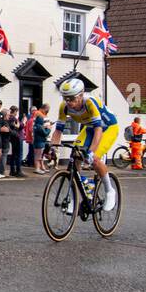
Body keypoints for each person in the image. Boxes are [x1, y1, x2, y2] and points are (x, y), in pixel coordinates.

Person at [50, 77, 119, 211]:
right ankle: (75, 195)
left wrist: (91, 153)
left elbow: (98, 130)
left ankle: (110, 190)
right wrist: (53, 148)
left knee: (95, 159)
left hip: (108, 128)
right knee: (75, 155)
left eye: (72, 98)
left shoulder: (90, 103)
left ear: (81, 95)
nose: (69, 102)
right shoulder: (64, 107)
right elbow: (58, 130)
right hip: (90, 128)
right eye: (66, 98)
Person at [6, 106, 26, 177]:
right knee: (18, 154)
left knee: (14, 154)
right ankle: (18, 171)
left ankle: (13, 170)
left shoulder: (10, 118)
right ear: (15, 111)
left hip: (15, 137)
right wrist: (23, 122)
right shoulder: (13, 118)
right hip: (17, 137)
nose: (16, 113)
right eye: (16, 111)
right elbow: (18, 126)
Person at [32, 104, 51, 173]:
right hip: (40, 142)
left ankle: (38, 168)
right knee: (38, 156)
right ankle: (37, 168)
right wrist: (49, 129)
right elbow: (45, 133)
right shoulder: (39, 126)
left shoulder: (36, 126)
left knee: (38, 155)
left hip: (37, 141)